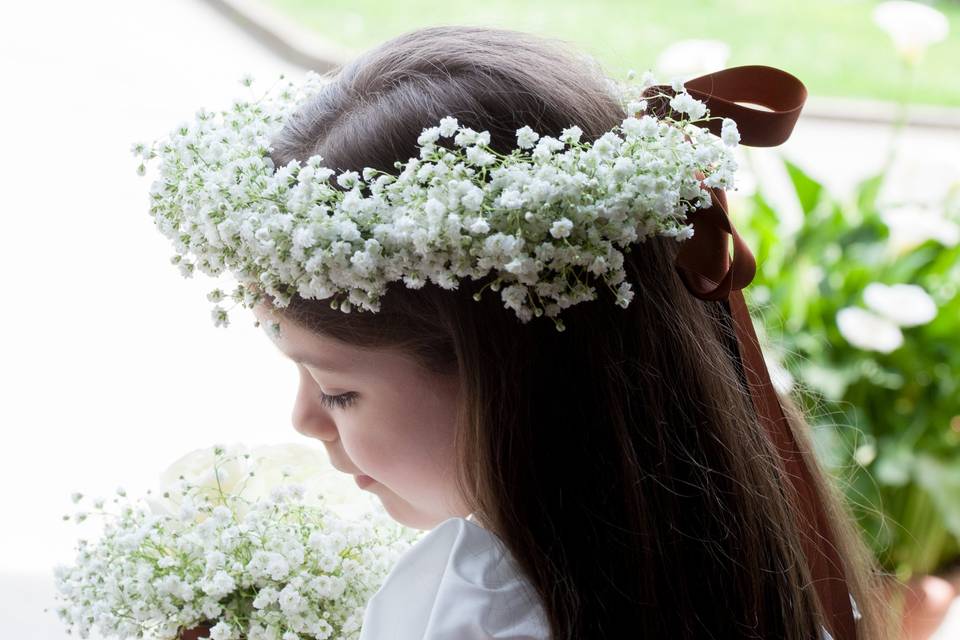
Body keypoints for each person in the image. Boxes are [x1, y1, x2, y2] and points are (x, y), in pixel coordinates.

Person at [146, 24, 895, 640]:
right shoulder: (749, 562)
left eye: (339, 392)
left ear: (517, 380)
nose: (304, 420)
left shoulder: (476, 604)